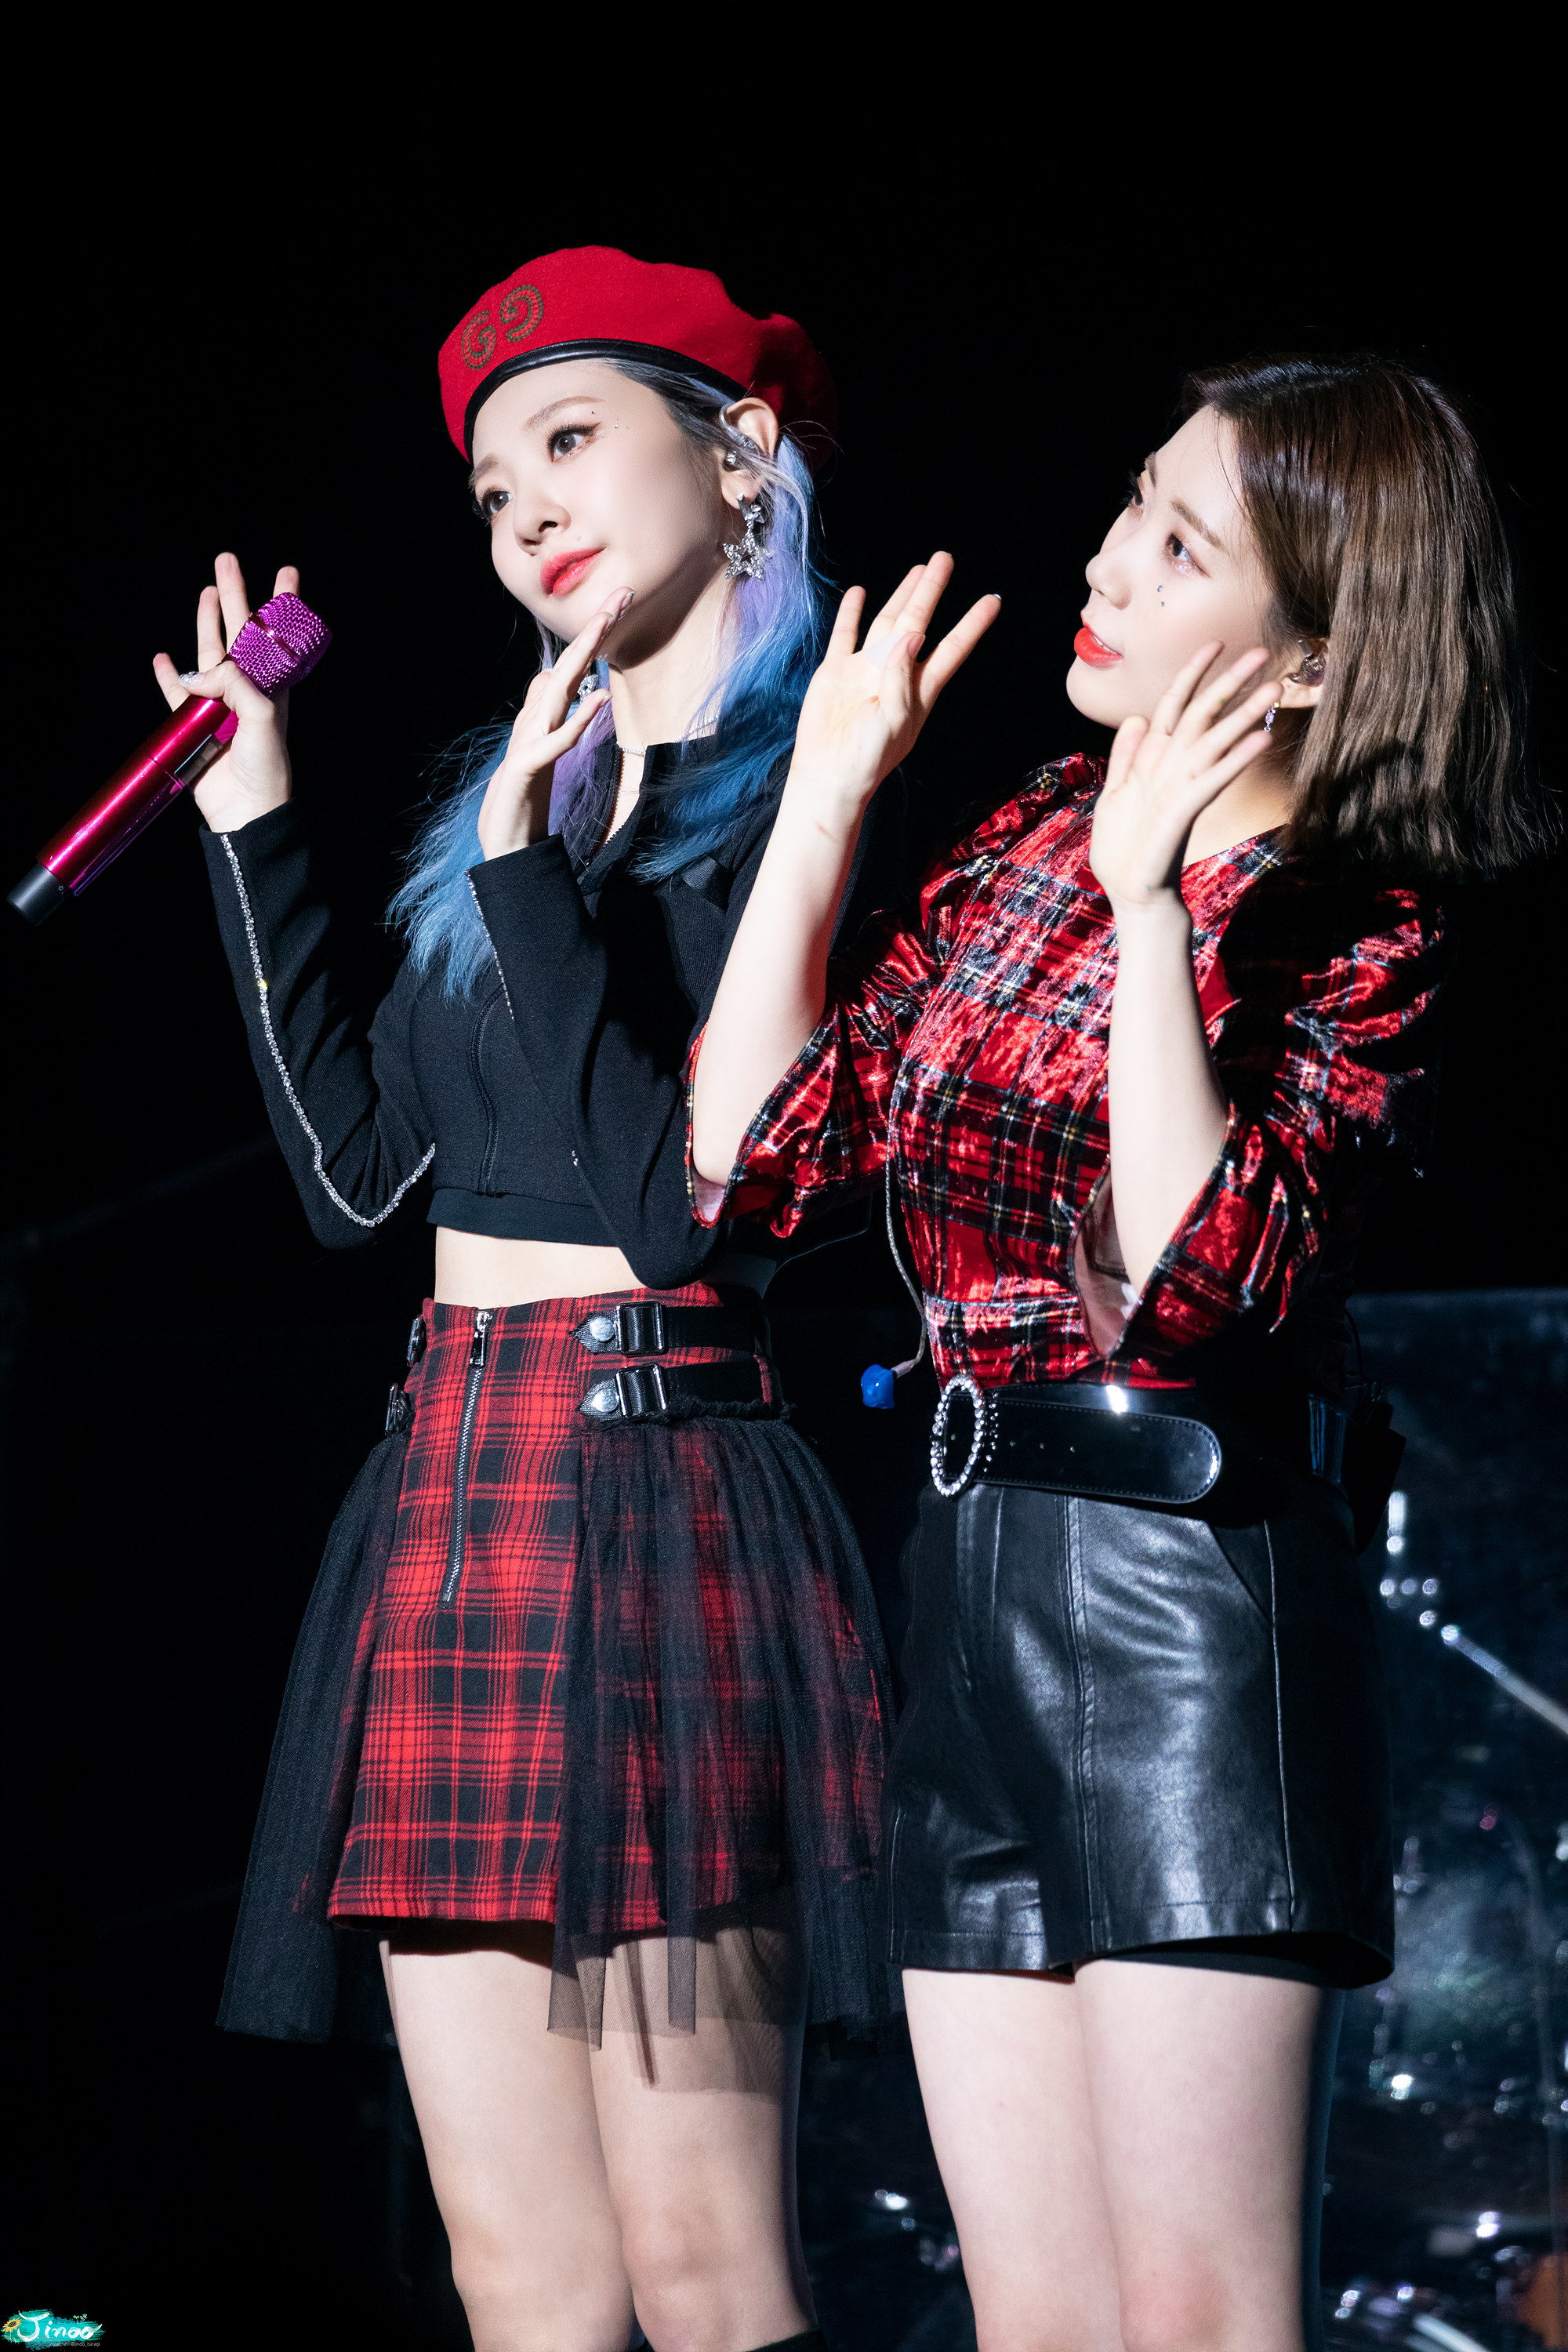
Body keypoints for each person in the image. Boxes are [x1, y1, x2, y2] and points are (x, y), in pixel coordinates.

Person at [690, 354, 1539, 2352]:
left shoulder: (1358, 920)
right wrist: (824, 795)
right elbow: (746, 1167)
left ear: (1310, 658)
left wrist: (1155, 914)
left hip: (1185, 1603)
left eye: (1179, 545)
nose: (1108, 563)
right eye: (1130, 505)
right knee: (1035, 2320)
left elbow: (1191, 1291)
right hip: (969, 1584)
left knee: (1195, 2319)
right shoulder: (1025, 835)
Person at [156, 245, 926, 2352]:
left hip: (659, 1470)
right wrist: (256, 821)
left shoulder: (805, 780)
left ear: (739, 451)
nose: (523, 515)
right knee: (520, 2276)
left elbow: (675, 1209)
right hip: (450, 1492)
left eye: (569, 442)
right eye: (493, 489)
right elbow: (355, 1186)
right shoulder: (513, 811)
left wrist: (518, 871)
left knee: (700, 2263)